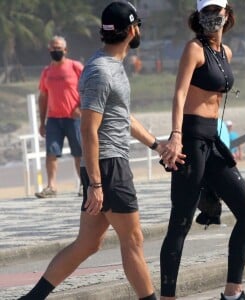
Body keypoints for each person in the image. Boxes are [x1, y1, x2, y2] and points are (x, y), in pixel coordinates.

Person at [19, 2, 185, 299]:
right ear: (132, 30)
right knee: (133, 239)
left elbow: (123, 117)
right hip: (108, 167)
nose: (140, 31)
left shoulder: (110, 67)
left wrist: (156, 145)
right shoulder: (100, 71)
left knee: (88, 243)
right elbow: (88, 129)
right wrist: (95, 184)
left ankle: (31, 298)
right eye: (139, 26)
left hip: (107, 165)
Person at [159, 1, 245, 300]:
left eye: (218, 11)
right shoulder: (194, 49)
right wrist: (175, 136)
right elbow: (179, 93)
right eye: (207, 11)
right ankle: (168, 296)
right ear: (198, 15)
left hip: (213, 141)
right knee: (181, 221)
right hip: (189, 140)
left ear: (227, 14)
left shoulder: (225, 53)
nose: (212, 17)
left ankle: (232, 292)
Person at [34, 35, 84, 198]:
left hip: (74, 118)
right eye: (53, 48)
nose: (56, 51)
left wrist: (80, 107)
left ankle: (85, 184)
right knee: (51, 153)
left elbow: (89, 88)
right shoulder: (46, 72)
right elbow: (43, 97)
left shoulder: (75, 67)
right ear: (49, 50)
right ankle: (51, 187)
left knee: (79, 153)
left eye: (59, 48)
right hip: (54, 119)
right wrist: (42, 122)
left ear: (65, 50)